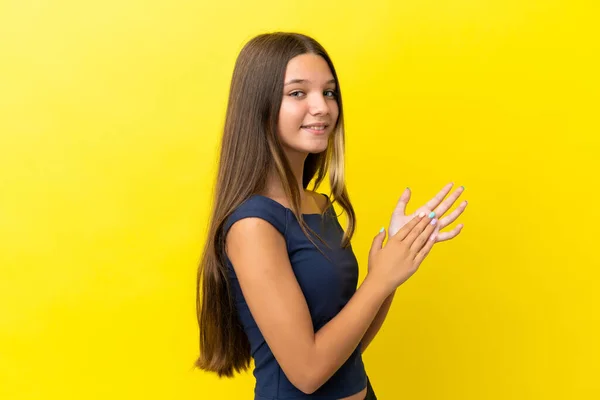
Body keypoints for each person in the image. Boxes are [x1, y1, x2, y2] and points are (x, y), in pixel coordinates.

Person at [195, 32, 468, 400]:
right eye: (297, 93)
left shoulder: (318, 205)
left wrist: (393, 268)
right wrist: (380, 279)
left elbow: (346, 349)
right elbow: (307, 372)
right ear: (258, 106)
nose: (322, 107)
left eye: (328, 92)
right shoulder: (253, 225)